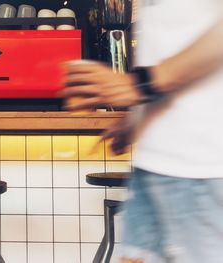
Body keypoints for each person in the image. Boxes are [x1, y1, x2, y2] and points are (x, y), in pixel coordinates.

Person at [60, 0, 223, 262]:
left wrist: (140, 84)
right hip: (155, 163)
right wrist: (136, 119)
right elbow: (173, 37)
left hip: (201, 169)